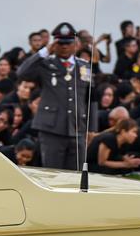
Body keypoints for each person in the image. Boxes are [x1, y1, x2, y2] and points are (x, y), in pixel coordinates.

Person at [17, 22, 96, 170]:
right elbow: (22, 73)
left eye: (68, 43)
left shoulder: (84, 66)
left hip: (77, 127)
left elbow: (91, 98)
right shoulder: (46, 64)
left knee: (75, 174)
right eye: (60, 43)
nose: (64, 46)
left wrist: (91, 128)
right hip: (51, 128)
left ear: (76, 44)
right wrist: (44, 51)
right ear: (54, 44)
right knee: (53, 173)